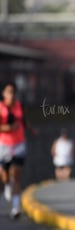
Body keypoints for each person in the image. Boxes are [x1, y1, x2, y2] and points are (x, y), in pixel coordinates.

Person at [0, 82, 30, 219]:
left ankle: (16, 207)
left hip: (19, 143)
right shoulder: (1, 108)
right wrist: (10, 128)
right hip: (4, 144)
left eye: (13, 92)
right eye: (9, 92)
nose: (11, 95)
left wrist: (31, 129)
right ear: (3, 94)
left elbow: (23, 121)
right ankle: (6, 184)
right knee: (5, 176)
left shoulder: (19, 106)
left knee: (17, 174)